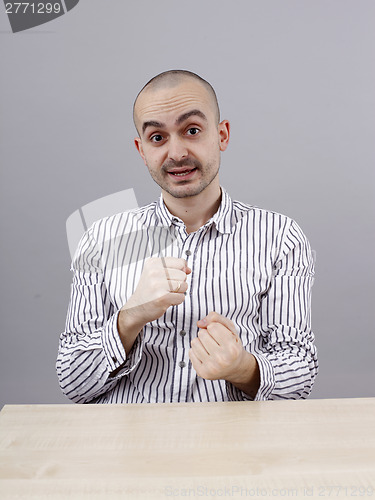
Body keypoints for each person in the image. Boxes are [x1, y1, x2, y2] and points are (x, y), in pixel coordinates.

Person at [56, 70, 318, 404]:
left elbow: (300, 374)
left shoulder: (280, 238)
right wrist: (130, 317)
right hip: (128, 447)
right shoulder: (101, 239)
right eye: (157, 138)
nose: (177, 153)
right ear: (141, 149)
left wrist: (242, 368)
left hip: (234, 446)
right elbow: (73, 383)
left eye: (191, 131)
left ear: (221, 135)